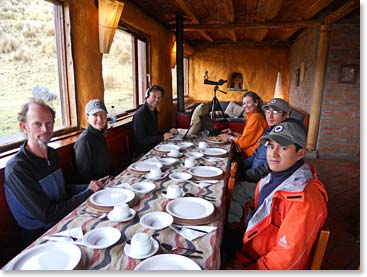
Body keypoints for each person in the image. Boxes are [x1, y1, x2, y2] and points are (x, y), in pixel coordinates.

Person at [222, 120, 328, 269]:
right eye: (271, 146)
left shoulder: (304, 199)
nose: (273, 153)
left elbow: (287, 259)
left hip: (260, 260)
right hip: (253, 242)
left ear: (300, 153)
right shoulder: (274, 176)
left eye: (283, 147)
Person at [4, 99, 107, 247]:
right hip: (41, 235)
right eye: (37, 124)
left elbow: (62, 190)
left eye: (49, 123)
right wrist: (88, 192)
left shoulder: (51, 154)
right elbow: (48, 214)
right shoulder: (18, 168)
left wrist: (90, 186)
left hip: (64, 218)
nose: (45, 129)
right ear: (24, 127)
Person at [228, 98, 290, 223]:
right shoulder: (269, 131)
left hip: (266, 182)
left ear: (286, 115)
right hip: (255, 175)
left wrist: (243, 175)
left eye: (276, 112)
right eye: (268, 111)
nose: (270, 115)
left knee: (233, 192)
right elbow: (254, 156)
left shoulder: (284, 137)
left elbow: (266, 168)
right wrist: (239, 167)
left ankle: (233, 228)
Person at [74, 99, 114, 183]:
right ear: (87, 117)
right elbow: (84, 175)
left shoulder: (100, 134)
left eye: (102, 114)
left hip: (108, 180)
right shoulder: (84, 141)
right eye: (95, 115)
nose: (99, 119)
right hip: (96, 187)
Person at [132, 85, 177, 157]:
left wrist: (168, 131)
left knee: (176, 149)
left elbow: (154, 132)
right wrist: (162, 137)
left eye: (159, 98)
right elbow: (141, 139)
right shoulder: (140, 115)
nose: (157, 100)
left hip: (153, 145)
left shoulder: (153, 111)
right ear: (147, 97)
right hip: (144, 152)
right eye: (154, 96)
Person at [219, 91, 267, 157]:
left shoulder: (256, 118)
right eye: (244, 103)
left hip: (251, 155)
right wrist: (233, 132)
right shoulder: (253, 116)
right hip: (250, 152)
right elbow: (248, 138)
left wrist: (229, 137)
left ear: (256, 103)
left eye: (248, 103)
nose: (245, 106)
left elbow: (243, 143)